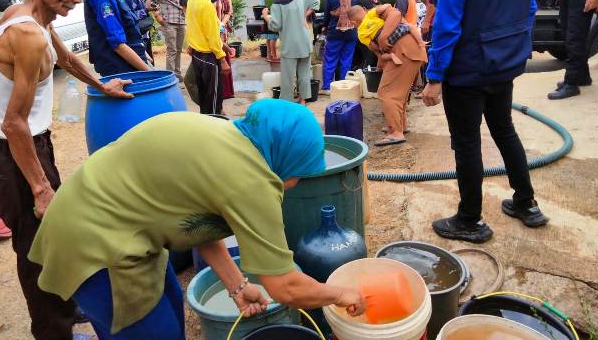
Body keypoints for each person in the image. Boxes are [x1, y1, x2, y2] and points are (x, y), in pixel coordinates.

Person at [28, 101, 366, 339]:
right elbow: (285, 286)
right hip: (95, 241)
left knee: (169, 309)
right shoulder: (252, 181)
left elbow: (199, 222)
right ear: (285, 157)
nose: (296, 183)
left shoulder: (232, 135)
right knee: (145, 331)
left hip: (108, 217)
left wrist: (237, 285)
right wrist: (340, 295)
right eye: (300, 173)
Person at [0, 0, 130, 340]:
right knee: (36, 250)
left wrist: (102, 85)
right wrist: (40, 186)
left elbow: (66, 59)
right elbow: (14, 124)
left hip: (31, 147)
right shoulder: (26, 34)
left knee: (55, 236)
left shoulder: (35, 19)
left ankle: (63, 306)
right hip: (14, 154)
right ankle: (54, 332)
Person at [421, 0, 548, 243]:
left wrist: (434, 77)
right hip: (505, 63)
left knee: (467, 142)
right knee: (504, 128)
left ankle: (470, 219)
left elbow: (447, 23)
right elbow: (528, 6)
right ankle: (526, 203)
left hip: (468, 69)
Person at [350, 4, 427, 145]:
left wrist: (383, 36)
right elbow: (379, 52)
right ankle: (400, 125)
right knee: (399, 93)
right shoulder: (372, 16)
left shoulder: (370, 19)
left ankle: (396, 132)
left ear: (353, 23)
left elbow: (396, 14)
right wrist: (382, 60)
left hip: (404, 51)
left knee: (386, 93)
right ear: (364, 10)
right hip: (408, 51)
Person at [262, 0, 320, 104]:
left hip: (290, 46)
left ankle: (286, 103)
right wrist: (304, 15)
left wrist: (266, 16)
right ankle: (303, 101)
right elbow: (316, 1)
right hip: (305, 42)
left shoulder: (277, 5)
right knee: (304, 74)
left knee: (288, 77)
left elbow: (276, 26)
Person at [185, 0, 231, 114]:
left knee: (204, 97)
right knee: (214, 100)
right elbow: (212, 35)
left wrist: (224, 46)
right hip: (209, 57)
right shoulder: (206, 4)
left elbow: (194, 28)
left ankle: (206, 126)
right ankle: (215, 128)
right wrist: (222, 59)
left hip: (197, 56)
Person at [322, 0, 357, 92]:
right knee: (346, 60)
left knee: (330, 59)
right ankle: (343, 85)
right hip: (351, 32)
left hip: (335, 32)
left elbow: (327, 15)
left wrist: (324, 26)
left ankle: (327, 86)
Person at [149, 0, 186, 79]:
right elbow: (150, 0)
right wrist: (157, 14)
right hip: (168, 21)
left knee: (179, 49)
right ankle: (171, 77)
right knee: (172, 50)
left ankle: (178, 74)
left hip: (181, 20)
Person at [125, 0, 154, 64]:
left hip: (144, 34)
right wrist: (146, 9)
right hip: (138, 35)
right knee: (144, 62)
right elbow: (131, 15)